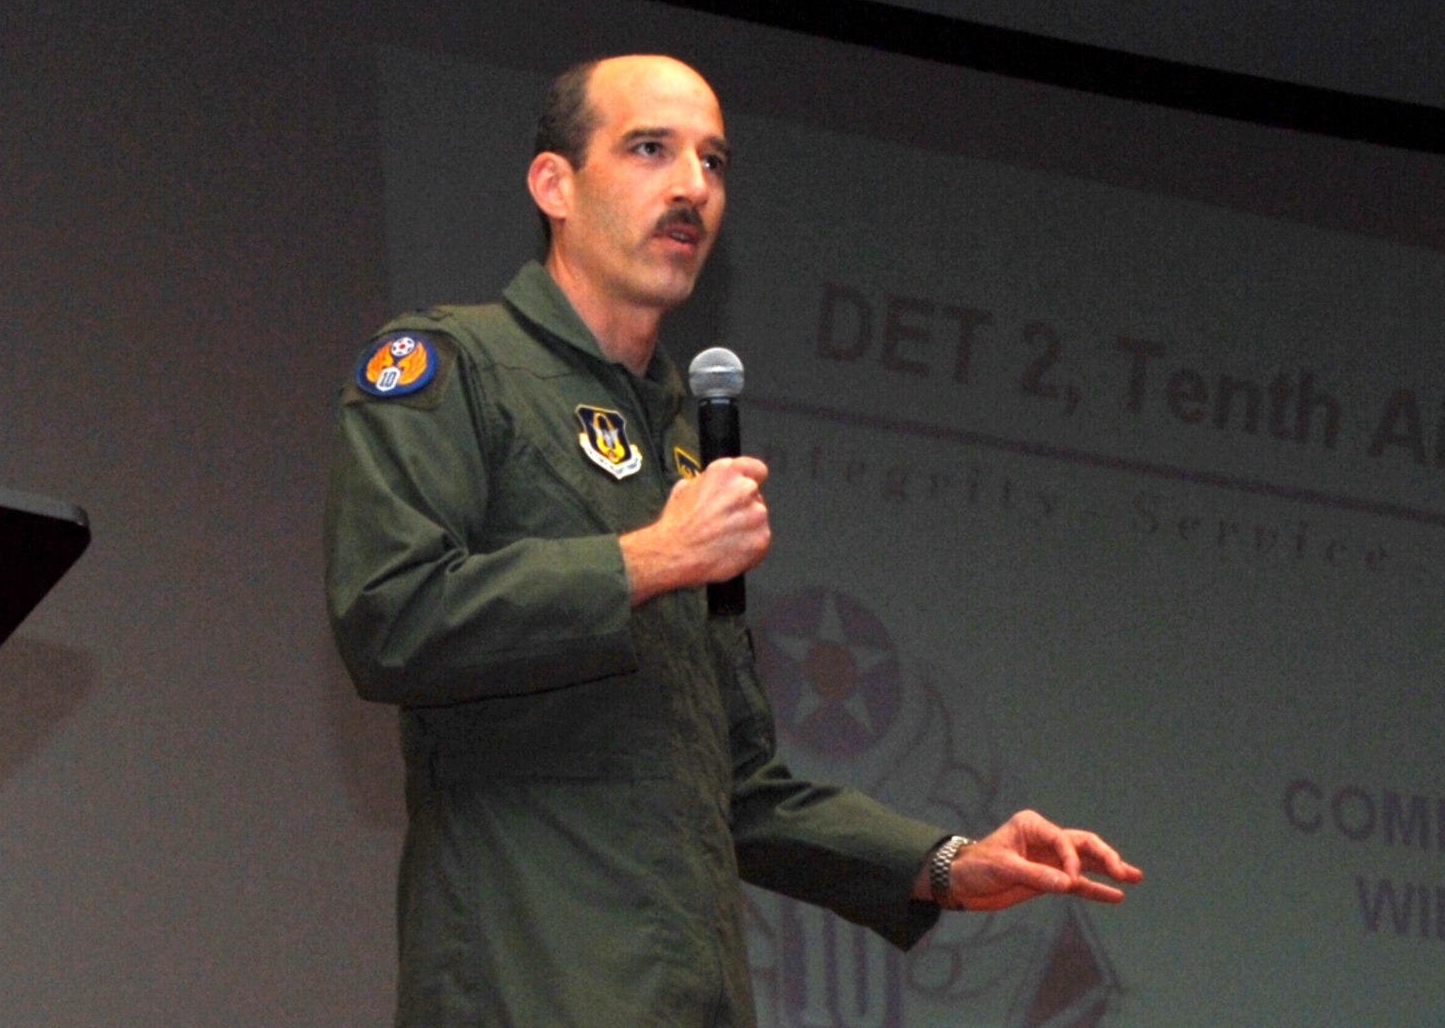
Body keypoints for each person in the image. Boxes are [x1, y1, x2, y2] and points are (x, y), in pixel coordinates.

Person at [325, 54, 1141, 1026]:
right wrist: (647, 560)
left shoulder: (680, 451)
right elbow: (391, 617)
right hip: (529, 985)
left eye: (711, 162)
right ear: (554, 184)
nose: (691, 188)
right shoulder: (453, 368)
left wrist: (945, 866)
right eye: (648, 150)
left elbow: (740, 787)